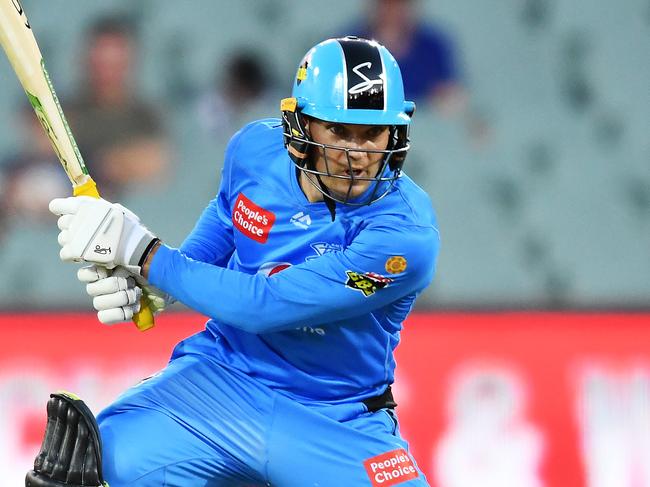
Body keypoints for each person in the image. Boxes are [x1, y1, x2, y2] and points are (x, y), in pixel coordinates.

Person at [31, 37, 440, 486]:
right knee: (93, 470)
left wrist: (148, 258)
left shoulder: (405, 238)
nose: (356, 155)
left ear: (395, 135)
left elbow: (266, 306)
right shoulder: (253, 150)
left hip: (335, 416)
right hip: (221, 381)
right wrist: (162, 283)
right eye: (338, 131)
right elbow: (230, 217)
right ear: (301, 126)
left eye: (371, 134)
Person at [65, 16, 169, 199]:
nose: (107, 72)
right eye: (102, 62)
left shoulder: (146, 116)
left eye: (115, 63)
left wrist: (110, 163)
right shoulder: (66, 112)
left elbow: (157, 164)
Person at [348, 0, 465, 115]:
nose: (392, 11)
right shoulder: (348, 46)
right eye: (387, 4)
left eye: (399, 4)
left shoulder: (434, 47)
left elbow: (453, 98)